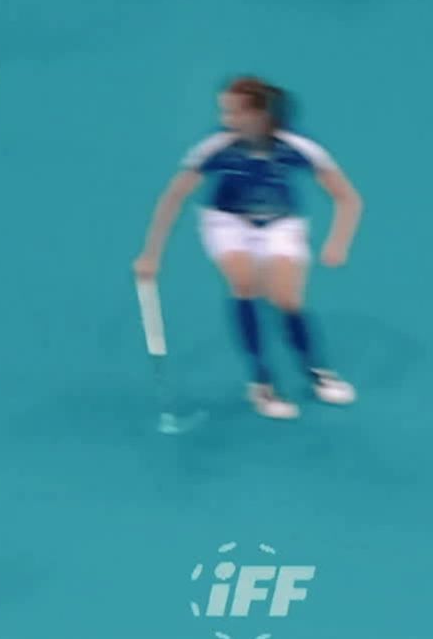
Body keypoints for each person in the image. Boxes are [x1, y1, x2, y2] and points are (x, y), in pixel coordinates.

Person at [133, 77, 361, 419]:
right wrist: (151, 253)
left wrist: (338, 242)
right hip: (227, 222)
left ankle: (316, 371)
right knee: (245, 283)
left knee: (287, 299)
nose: (225, 119)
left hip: (281, 222)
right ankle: (261, 382)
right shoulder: (216, 147)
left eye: (233, 111)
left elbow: (348, 197)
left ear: (260, 115)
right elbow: (173, 197)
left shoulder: (298, 147)